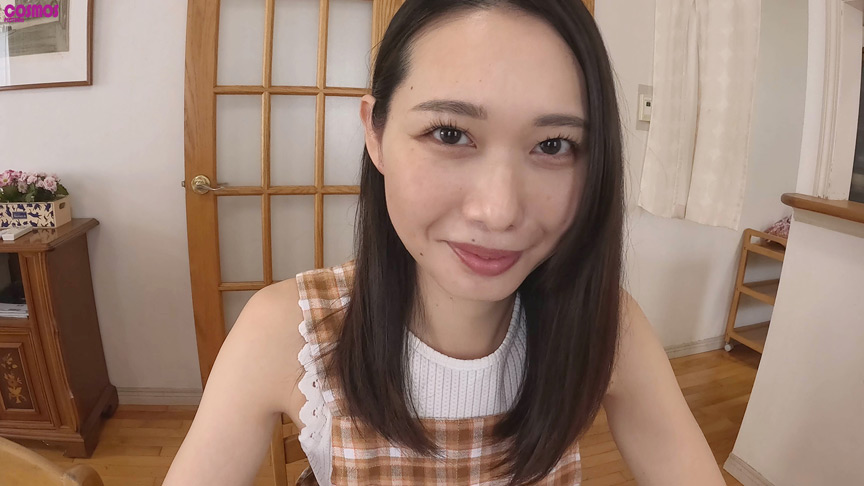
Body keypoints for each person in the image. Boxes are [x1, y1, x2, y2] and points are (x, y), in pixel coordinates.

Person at [164, 1, 727, 485]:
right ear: (375, 134)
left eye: (553, 145)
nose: (499, 211)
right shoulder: (288, 332)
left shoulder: (609, 327)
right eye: (450, 134)